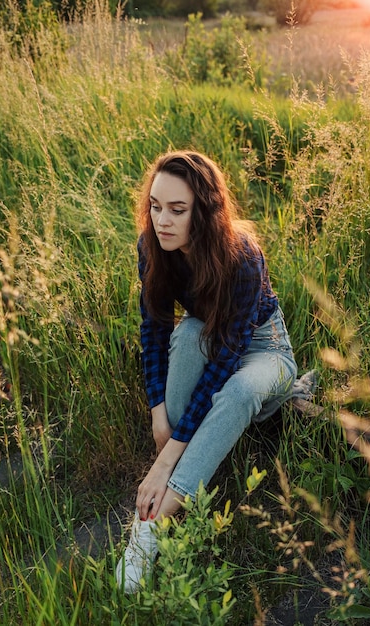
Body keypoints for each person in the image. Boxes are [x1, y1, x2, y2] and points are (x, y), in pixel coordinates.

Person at [116, 150, 298, 593]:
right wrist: (159, 414)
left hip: (263, 348)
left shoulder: (243, 257)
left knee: (235, 393)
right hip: (208, 336)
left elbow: (225, 366)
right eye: (156, 206)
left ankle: (153, 521)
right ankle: (182, 455)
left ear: (205, 211)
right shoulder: (152, 247)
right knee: (186, 334)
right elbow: (154, 330)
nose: (163, 220)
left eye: (177, 210)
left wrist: (165, 461)